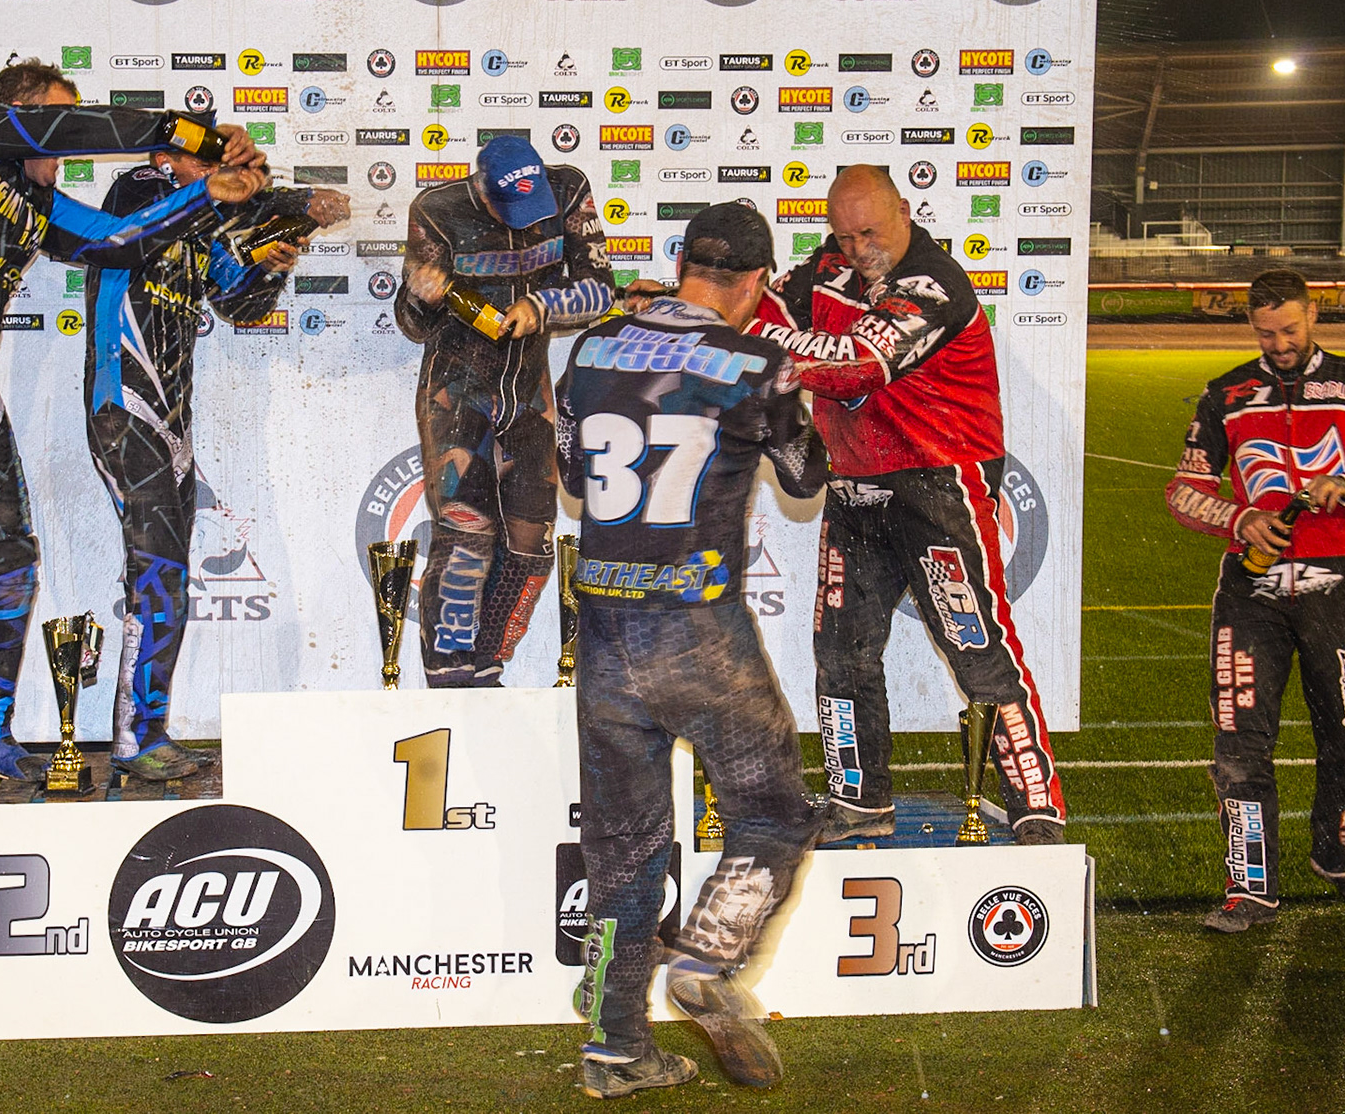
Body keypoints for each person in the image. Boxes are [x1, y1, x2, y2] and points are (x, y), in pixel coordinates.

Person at [0, 58, 266, 784]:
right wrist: (186, 129)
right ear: (16, 119)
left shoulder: (37, 203)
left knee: (11, 566)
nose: (61, 154)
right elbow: (66, 127)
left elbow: (120, 242)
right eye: (50, 131)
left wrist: (207, 193)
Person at [555, 202, 827, 1098]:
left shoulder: (591, 349)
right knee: (771, 814)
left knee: (623, 852)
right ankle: (709, 956)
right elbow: (804, 477)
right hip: (698, 626)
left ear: (680, 263)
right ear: (755, 283)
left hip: (601, 634)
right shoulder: (758, 361)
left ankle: (612, 1048)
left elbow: (568, 476)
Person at [749, 165, 1068, 846]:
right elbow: (763, 311)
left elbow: (859, 364)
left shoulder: (934, 282)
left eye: (871, 232)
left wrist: (764, 343)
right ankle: (858, 799)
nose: (860, 249)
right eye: (844, 235)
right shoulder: (824, 268)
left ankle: (1036, 800)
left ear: (905, 209)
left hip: (939, 484)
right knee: (840, 654)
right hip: (855, 486)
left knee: (978, 651)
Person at [1165, 268, 1345, 931]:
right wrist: (1238, 521)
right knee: (1240, 740)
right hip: (1250, 588)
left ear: (1313, 313)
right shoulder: (1225, 396)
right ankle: (1251, 888)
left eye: (1291, 329)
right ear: (1251, 326)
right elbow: (1185, 489)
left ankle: (1340, 856)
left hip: (1339, 583)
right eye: (1266, 332)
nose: (1280, 343)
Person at [87, 146, 349, 780]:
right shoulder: (137, 192)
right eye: (204, 161)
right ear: (162, 157)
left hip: (171, 424)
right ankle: (133, 741)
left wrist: (274, 260)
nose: (220, 174)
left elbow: (239, 304)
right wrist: (284, 202)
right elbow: (174, 210)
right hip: (123, 410)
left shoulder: (200, 226)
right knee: (154, 574)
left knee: (168, 579)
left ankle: (147, 730)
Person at [395, 135, 613, 688]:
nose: (521, 221)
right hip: (457, 392)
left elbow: (601, 290)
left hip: (530, 394)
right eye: (506, 209)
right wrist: (420, 294)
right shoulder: (436, 211)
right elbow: (413, 325)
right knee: (467, 533)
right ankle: (448, 676)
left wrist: (540, 306)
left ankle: (488, 668)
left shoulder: (567, 191)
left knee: (531, 540)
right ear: (480, 189)